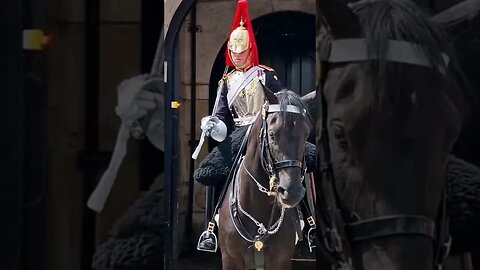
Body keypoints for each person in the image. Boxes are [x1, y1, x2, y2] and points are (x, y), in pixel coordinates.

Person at [195, 0, 285, 252]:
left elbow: (281, 104)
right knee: (210, 170)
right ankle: (210, 229)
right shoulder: (226, 82)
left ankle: (309, 223)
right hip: (237, 135)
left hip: (265, 132)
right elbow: (222, 116)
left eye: (240, 50)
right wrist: (212, 125)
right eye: (232, 51)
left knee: (302, 160)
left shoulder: (265, 75)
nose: (236, 55)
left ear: (250, 50)